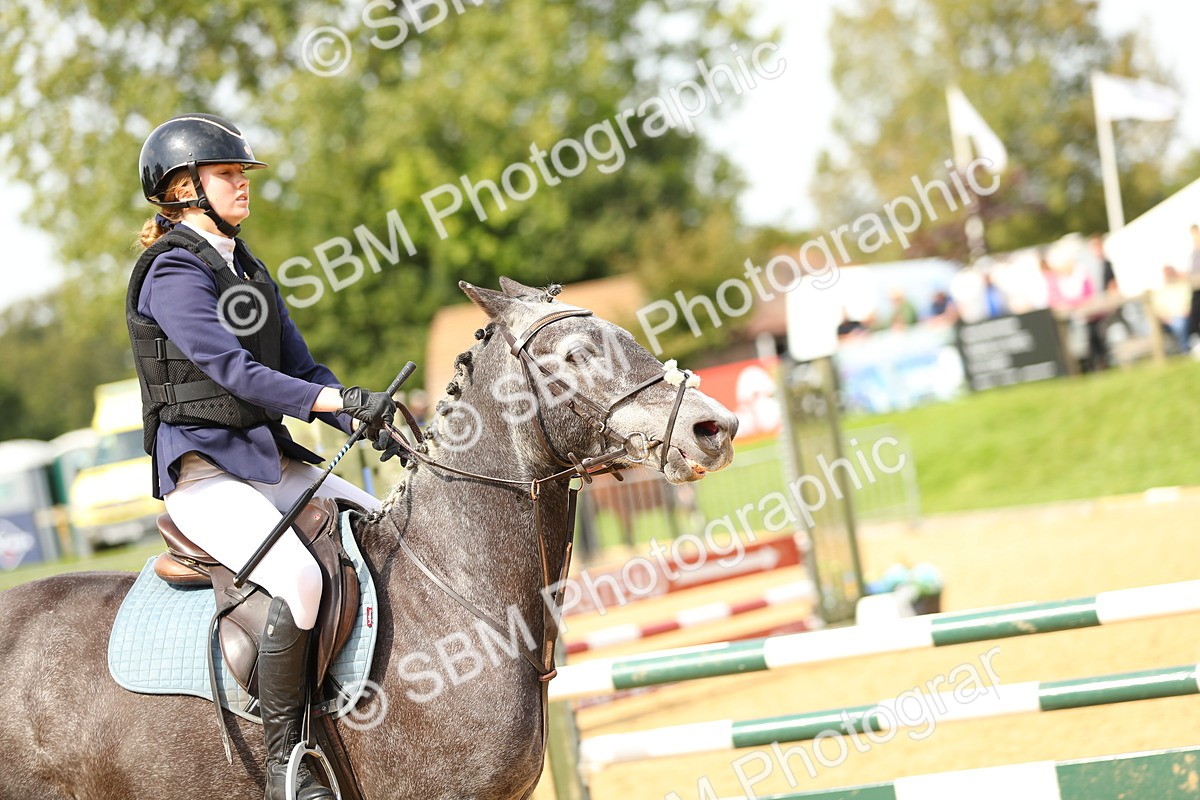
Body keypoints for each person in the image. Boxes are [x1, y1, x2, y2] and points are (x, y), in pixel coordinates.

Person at [130, 113, 400, 800]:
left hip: (265, 462)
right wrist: (329, 404)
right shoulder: (171, 273)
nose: (243, 187)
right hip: (204, 475)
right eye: (227, 175)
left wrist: (363, 411)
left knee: (385, 529)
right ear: (182, 188)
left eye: (242, 175)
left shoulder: (245, 267)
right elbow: (231, 372)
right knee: (299, 581)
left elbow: (301, 364)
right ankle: (289, 763)